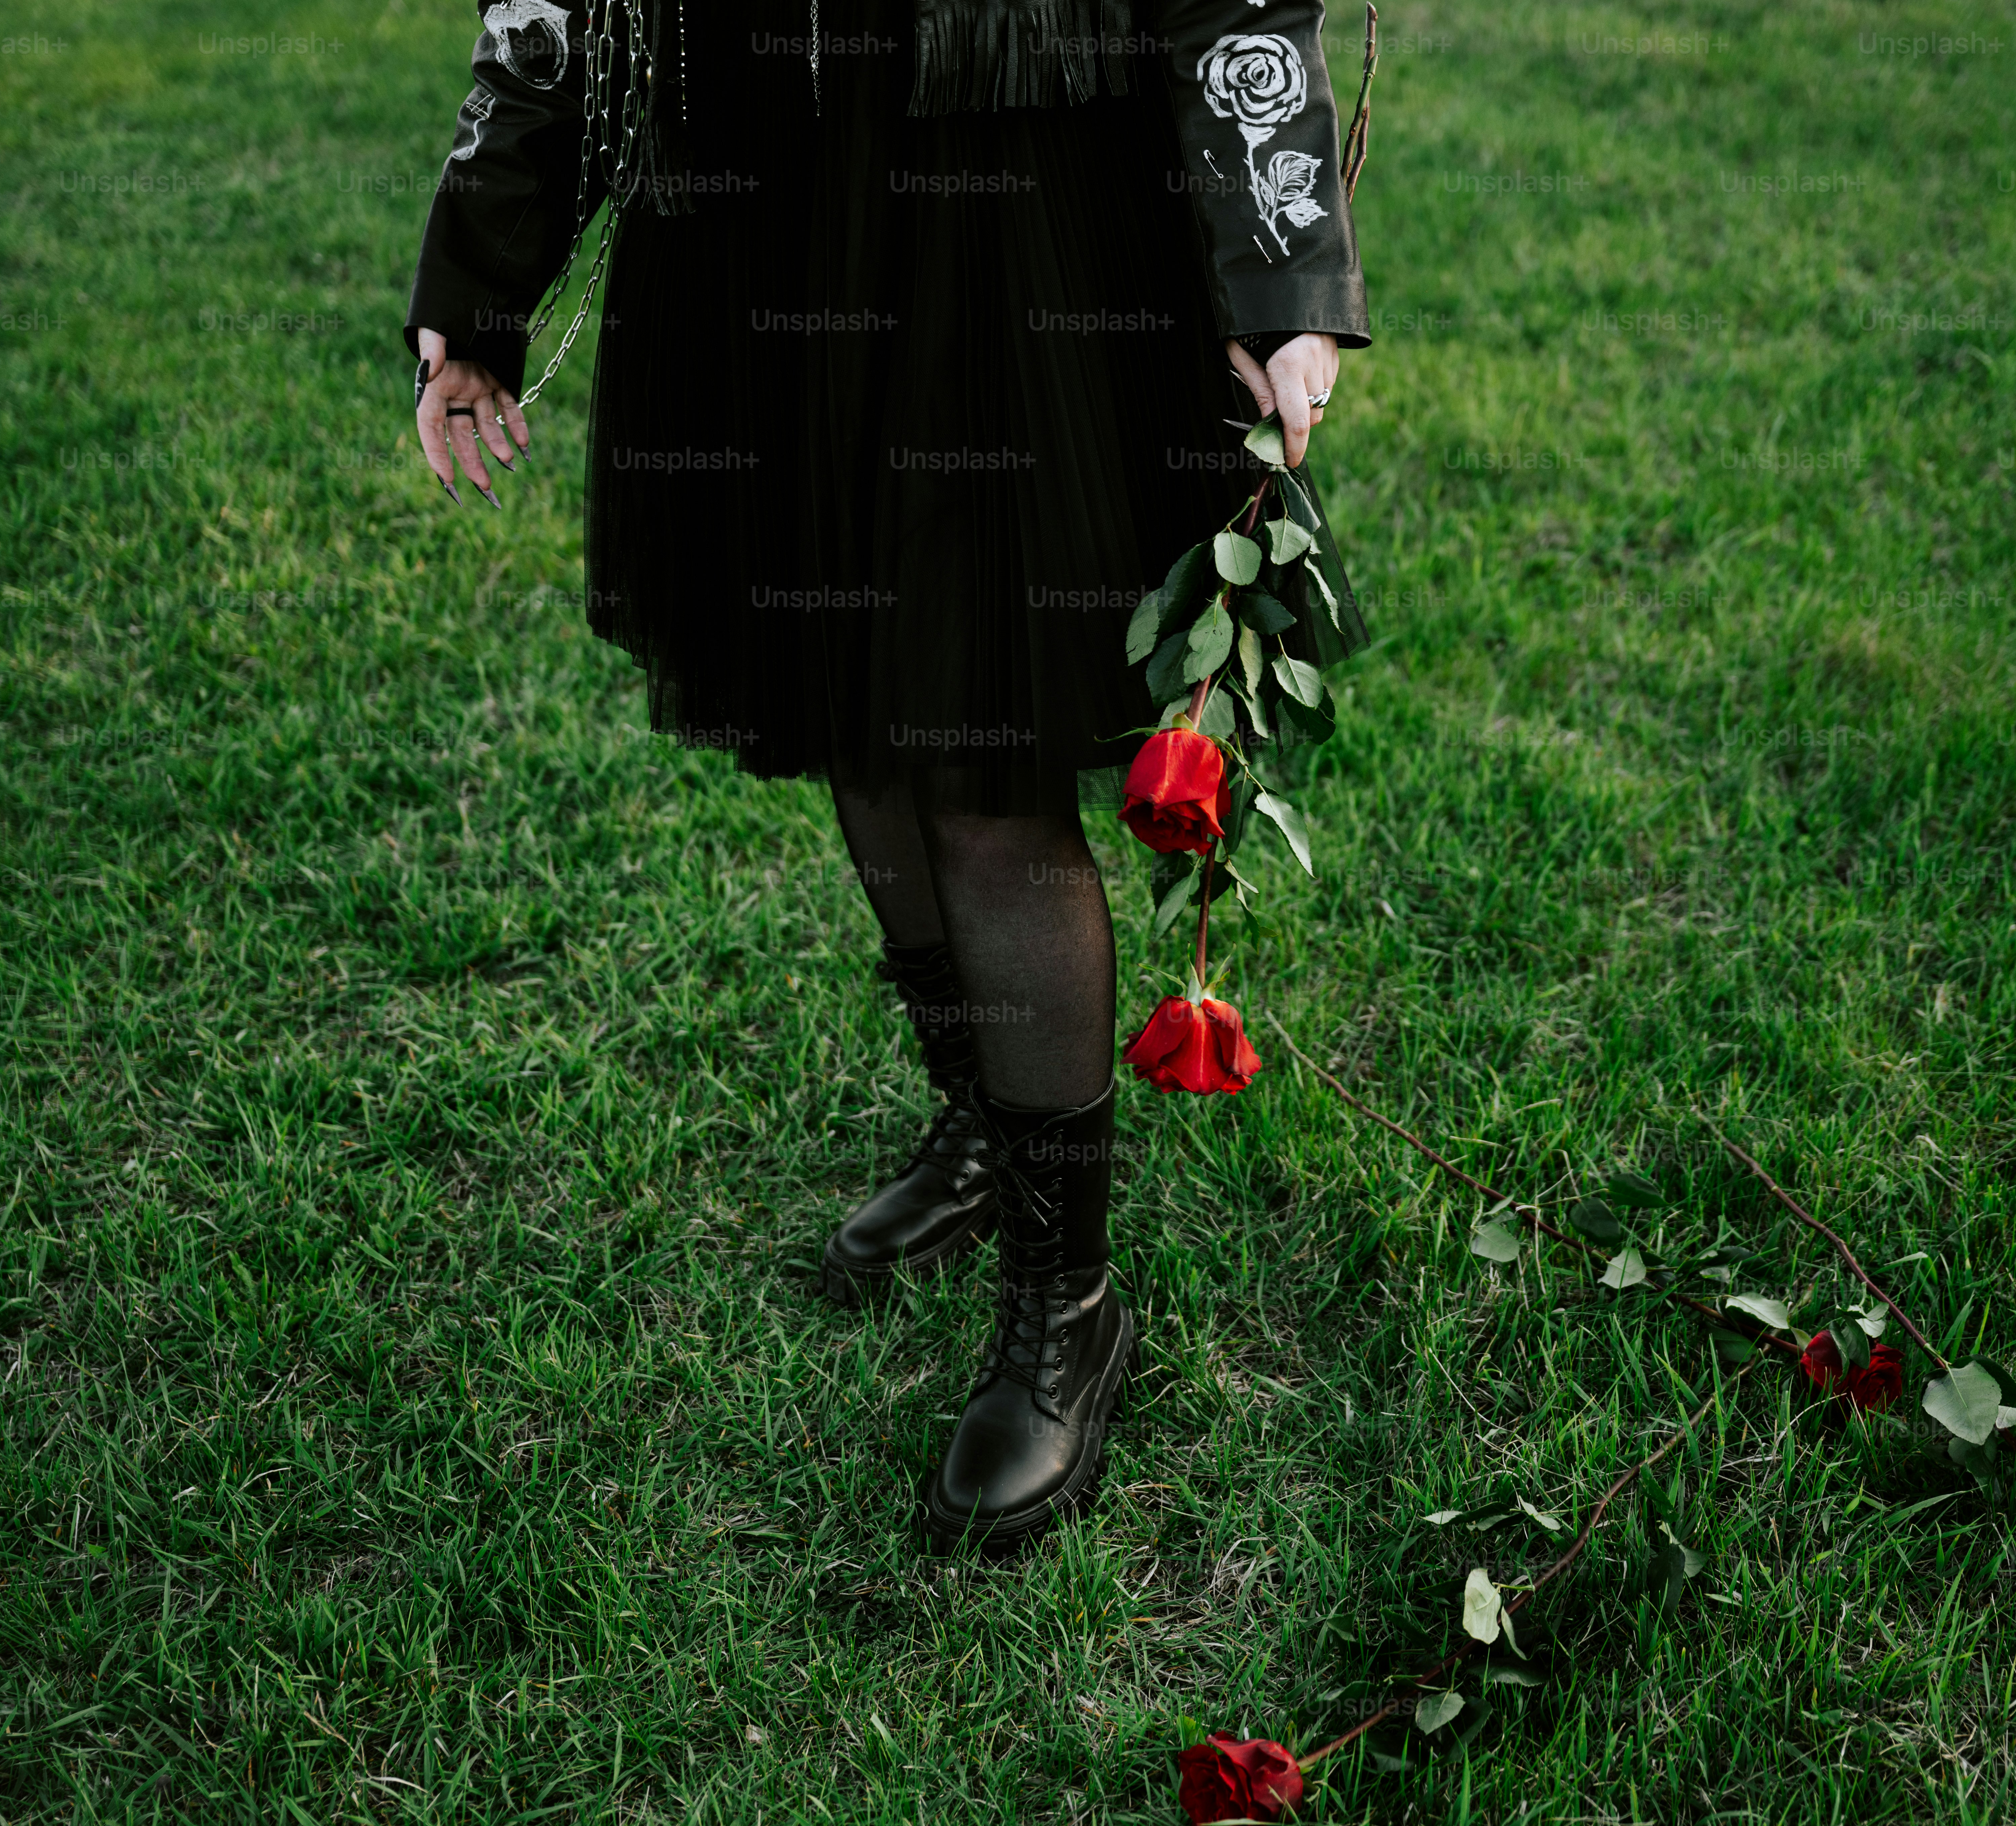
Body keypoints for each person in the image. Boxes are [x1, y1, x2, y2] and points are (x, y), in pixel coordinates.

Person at [397, 0, 1368, 1555]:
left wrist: (1282, 263)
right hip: (763, 187)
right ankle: (984, 1122)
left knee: (980, 756)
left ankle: (1070, 1304)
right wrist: (483, 268)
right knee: (850, 698)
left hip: (1009, 197)